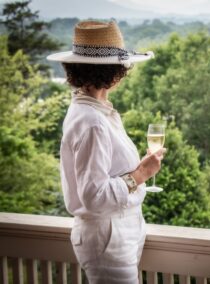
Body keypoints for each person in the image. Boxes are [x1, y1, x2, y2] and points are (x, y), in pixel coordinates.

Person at [47, 20, 165, 283]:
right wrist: (141, 173)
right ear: (113, 72)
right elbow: (94, 196)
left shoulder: (94, 111)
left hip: (120, 231)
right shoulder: (92, 121)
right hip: (108, 237)